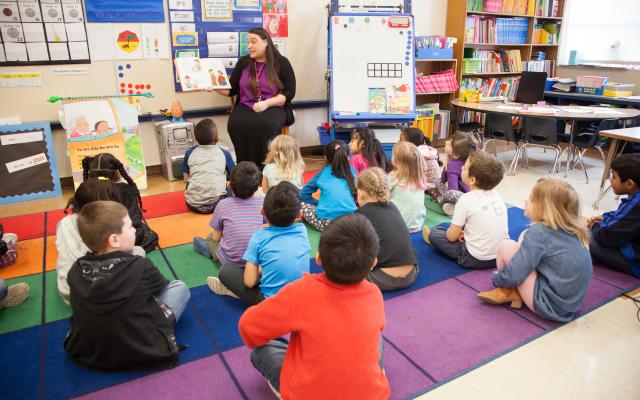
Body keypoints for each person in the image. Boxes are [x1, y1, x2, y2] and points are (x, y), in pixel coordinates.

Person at [238, 214, 390, 399]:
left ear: (318, 258)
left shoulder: (301, 292)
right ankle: (367, 377)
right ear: (373, 263)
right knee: (376, 338)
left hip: (308, 394)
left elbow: (248, 327)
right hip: (372, 395)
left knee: (263, 350)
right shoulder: (374, 293)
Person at [64, 201, 190, 370]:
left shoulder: (75, 270)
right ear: (114, 240)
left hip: (90, 351)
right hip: (143, 348)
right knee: (179, 287)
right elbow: (162, 287)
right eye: (130, 227)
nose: (135, 230)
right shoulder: (140, 265)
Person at [478, 178, 593, 323]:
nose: (525, 200)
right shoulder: (576, 230)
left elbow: (516, 272)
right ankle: (516, 291)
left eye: (531, 199)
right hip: (570, 306)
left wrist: (497, 279)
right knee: (524, 236)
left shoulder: (540, 232)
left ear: (546, 210)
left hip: (548, 305)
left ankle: (507, 290)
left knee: (506, 247)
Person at [208, 182, 310, 305]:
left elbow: (249, 282)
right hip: (302, 299)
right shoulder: (302, 231)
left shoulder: (258, 238)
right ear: (299, 214)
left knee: (226, 271)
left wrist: (260, 270)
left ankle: (232, 290)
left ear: (262, 211)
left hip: (270, 304)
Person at [213, 27, 296, 167]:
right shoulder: (244, 62)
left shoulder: (281, 62)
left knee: (266, 125)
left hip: (274, 105)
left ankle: (269, 166)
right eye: (248, 42)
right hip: (247, 104)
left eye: (253, 42)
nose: (249, 46)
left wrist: (267, 103)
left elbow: (289, 92)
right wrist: (214, 87)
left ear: (265, 42)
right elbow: (231, 90)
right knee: (235, 124)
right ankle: (245, 166)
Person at [56, 179, 146, 302]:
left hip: (66, 289)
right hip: (96, 293)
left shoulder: (64, 223)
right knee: (138, 252)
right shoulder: (101, 226)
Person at [426, 151, 508, 269]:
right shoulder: (497, 195)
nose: (461, 167)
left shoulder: (465, 200)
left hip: (474, 258)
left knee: (435, 233)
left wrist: (456, 233)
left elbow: (451, 237)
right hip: (499, 256)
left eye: (464, 168)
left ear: (472, 180)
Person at [356, 168, 418, 291]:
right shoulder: (392, 206)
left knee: (344, 271)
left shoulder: (360, 215)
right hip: (412, 273)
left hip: (384, 277)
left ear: (361, 193)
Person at [82, 153, 158, 252]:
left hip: (94, 240)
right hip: (117, 236)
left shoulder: (86, 190)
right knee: (149, 234)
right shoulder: (124, 189)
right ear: (117, 172)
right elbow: (135, 220)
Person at [192, 162, 264, 268]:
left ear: (229, 184)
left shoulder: (223, 204)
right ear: (258, 187)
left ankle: (208, 251)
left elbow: (216, 237)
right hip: (257, 262)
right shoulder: (262, 203)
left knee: (210, 237)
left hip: (230, 262)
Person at [588, 154, 640, 277]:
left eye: (614, 176)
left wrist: (595, 225)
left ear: (629, 184)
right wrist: (605, 217)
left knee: (581, 237)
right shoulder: (636, 198)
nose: (610, 179)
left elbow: (608, 236)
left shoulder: (637, 204)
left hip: (635, 264)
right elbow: (622, 215)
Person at [300, 140, 357, 231]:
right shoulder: (353, 171)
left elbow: (303, 194)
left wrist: (319, 204)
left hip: (327, 224)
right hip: (351, 223)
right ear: (347, 157)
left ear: (326, 158)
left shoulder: (323, 172)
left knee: (301, 205)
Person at [182, 118, 235, 214]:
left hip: (192, 205)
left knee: (190, 181)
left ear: (196, 138)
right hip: (218, 204)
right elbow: (235, 177)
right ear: (216, 137)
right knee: (229, 187)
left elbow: (186, 178)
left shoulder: (189, 152)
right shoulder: (224, 153)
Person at [429, 132, 477, 215]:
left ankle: (439, 199)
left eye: (450, 144)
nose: (446, 142)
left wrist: (447, 164)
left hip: (461, 197)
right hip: (474, 195)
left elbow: (451, 188)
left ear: (456, 154)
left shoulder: (453, 165)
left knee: (438, 183)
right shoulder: (470, 160)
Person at [389, 141, 428, 233]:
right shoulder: (419, 178)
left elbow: (380, 193)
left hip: (397, 227)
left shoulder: (394, 177)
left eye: (393, 155)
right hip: (416, 225)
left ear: (397, 161)